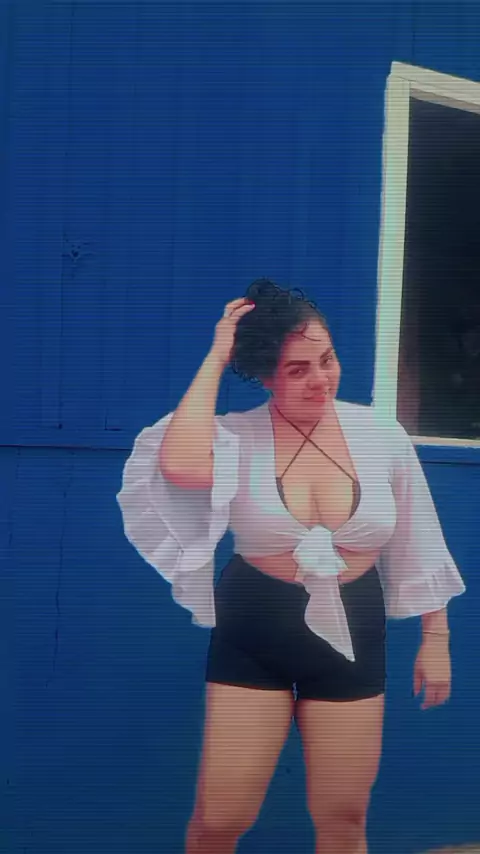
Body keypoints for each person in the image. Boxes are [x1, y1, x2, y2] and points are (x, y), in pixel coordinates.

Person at [116, 278, 466, 854]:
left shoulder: (380, 435)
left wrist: (436, 637)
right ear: (264, 375)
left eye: (327, 360)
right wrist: (218, 354)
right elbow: (179, 464)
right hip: (257, 624)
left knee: (343, 816)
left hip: (355, 629)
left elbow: (418, 536)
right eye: (297, 369)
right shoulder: (235, 437)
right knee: (221, 815)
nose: (320, 380)